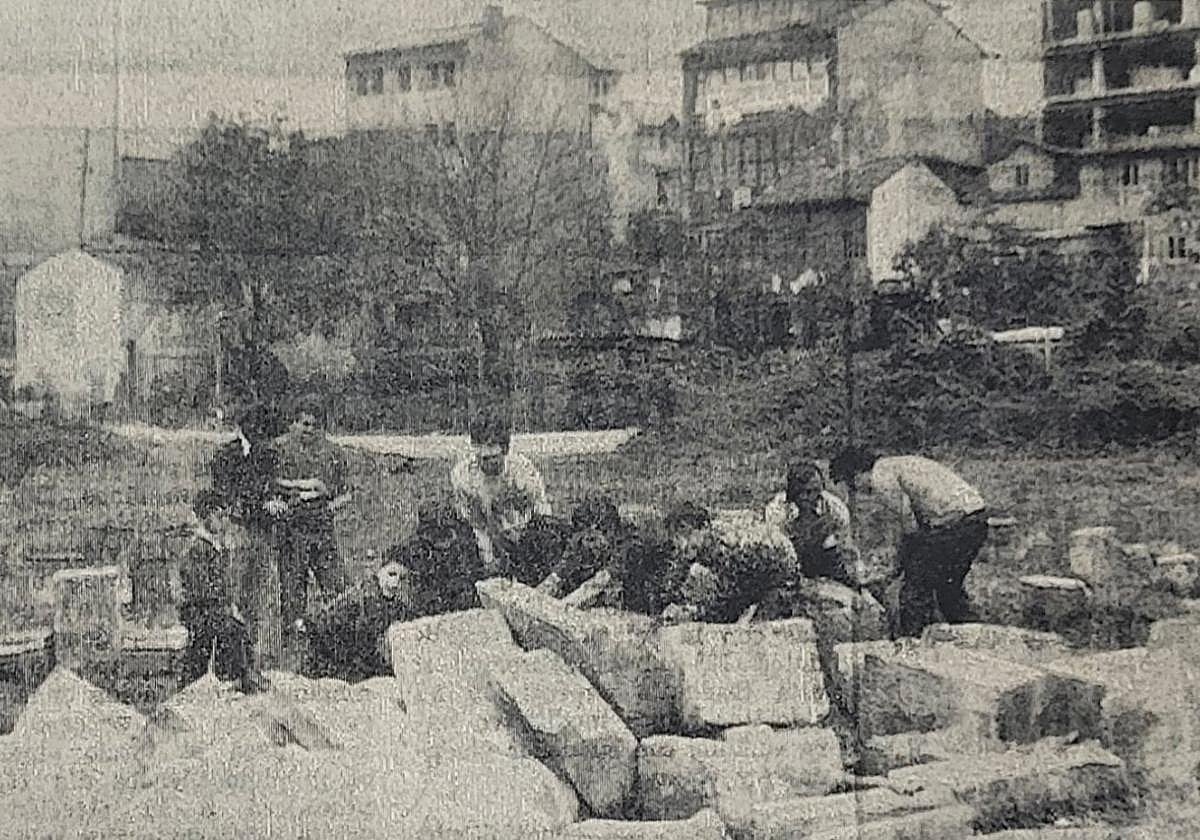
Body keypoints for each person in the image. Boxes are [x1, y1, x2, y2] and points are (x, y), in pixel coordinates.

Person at [829, 448, 988, 637]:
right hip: (974, 518)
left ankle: (913, 645)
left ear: (855, 476)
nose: (859, 492)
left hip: (956, 523)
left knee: (914, 591)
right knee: (948, 589)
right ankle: (974, 637)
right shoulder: (895, 465)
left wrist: (898, 567)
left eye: (851, 486)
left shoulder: (881, 477)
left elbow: (910, 528)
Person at [209, 403, 290, 670]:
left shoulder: (267, 455)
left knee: (262, 596)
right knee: (235, 595)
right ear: (248, 429)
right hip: (237, 532)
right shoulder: (225, 456)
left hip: (263, 534)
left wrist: (275, 502)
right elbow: (227, 498)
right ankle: (233, 660)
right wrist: (261, 505)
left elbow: (273, 487)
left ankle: (256, 659)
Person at [273, 396, 352, 637]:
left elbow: (347, 494)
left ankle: (339, 631)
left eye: (313, 425)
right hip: (292, 527)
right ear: (294, 423)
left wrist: (330, 504)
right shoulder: (280, 450)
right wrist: (300, 487)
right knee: (293, 583)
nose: (308, 429)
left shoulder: (333, 453)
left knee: (336, 584)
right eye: (303, 423)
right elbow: (270, 484)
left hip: (321, 526)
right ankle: (294, 634)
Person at [450, 413, 551, 575]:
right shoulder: (464, 476)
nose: (488, 463)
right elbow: (474, 523)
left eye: (494, 458)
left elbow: (543, 512)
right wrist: (488, 556)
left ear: (505, 451)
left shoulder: (522, 471)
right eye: (483, 458)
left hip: (524, 535)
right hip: (487, 537)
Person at [179, 490, 260, 690]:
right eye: (219, 516)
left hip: (213, 608)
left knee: (237, 628)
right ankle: (237, 678)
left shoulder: (216, 547)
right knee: (231, 631)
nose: (222, 522)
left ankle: (240, 676)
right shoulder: (197, 548)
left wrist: (230, 606)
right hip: (200, 609)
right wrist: (224, 607)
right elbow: (200, 587)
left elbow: (223, 584)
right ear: (206, 516)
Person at [303, 560, 420, 682]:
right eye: (391, 574)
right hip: (342, 663)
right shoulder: (362, 598)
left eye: (401, 578)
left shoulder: (399, 608)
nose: (395, 582)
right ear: (380, 572)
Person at [765, 459, 857, 586]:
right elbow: (779, 551)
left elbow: (845, 548)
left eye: (818, 490)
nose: (815, 496)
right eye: (808, 492)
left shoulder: (835, 509)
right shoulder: (778, 511)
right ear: (796, 493)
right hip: (791, 559)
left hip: (826, 559)